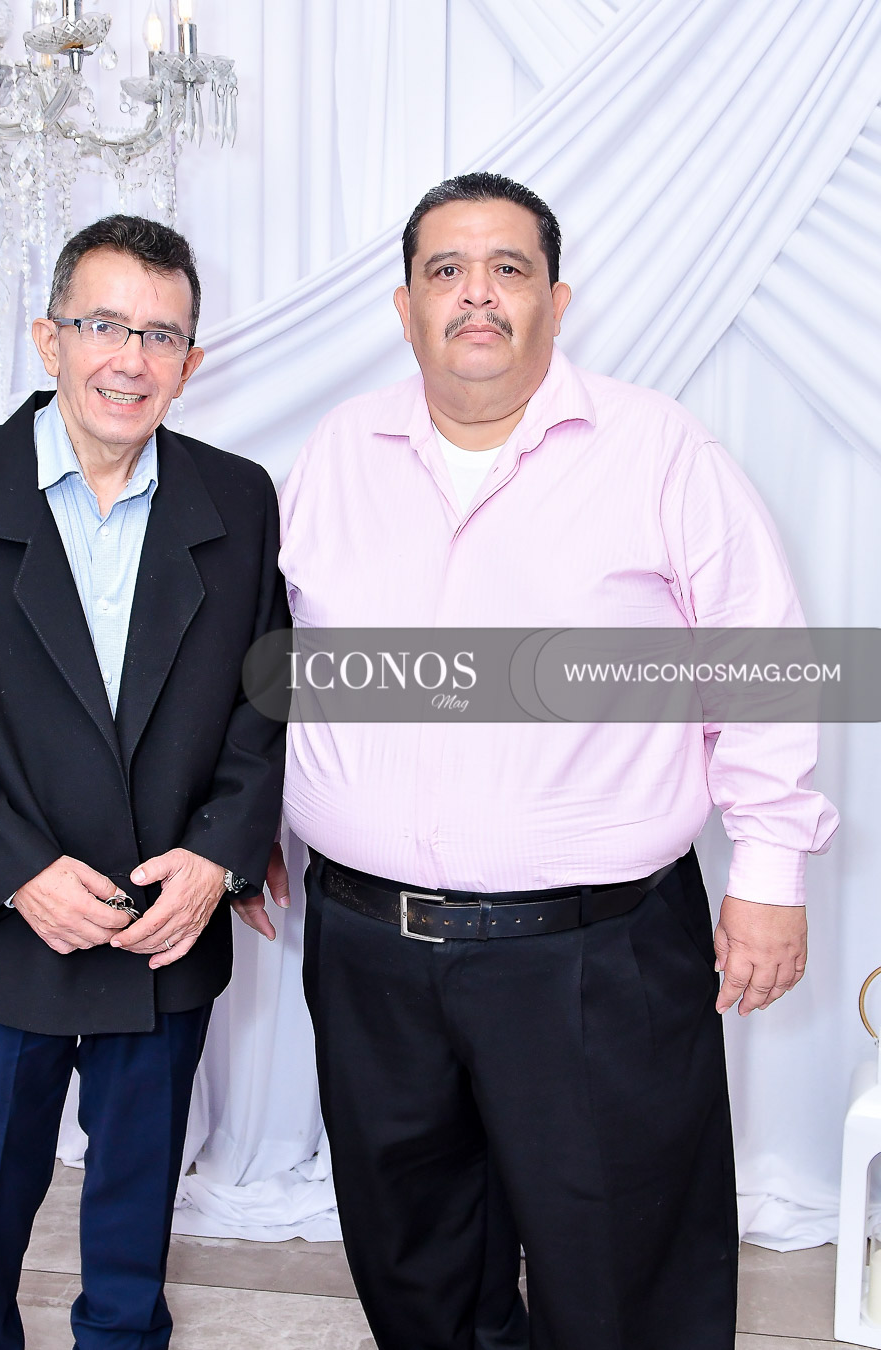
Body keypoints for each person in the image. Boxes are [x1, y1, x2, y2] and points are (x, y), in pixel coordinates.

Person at [235, 174, 839, 1350]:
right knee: (416, 1265)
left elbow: (760, 662)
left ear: (556, 302)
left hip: (596, 956)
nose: (477, 294)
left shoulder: (661, 450)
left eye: (507, 269)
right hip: (368, 949)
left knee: (623, 1273)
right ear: (405, 308)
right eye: (446, 271)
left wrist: (770, 876)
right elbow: (279, 655)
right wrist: (247, 817)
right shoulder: (340, 451)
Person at [0, 214, 288, 1350]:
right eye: (103, 324)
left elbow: (267, 697)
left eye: (161, 335)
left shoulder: (240, 497)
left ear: (192, 363)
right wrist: (20, 872)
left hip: (165, 915)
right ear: (47, 337)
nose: (130, 359)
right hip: (1, 923)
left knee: (138, 1202)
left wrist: (219, 857)